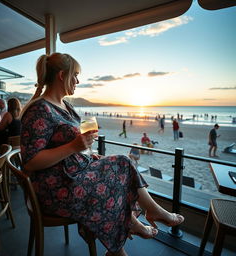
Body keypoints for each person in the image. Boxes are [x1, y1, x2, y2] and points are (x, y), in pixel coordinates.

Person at [20, 53, 184, 256]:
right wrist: (73, 147)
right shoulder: (39, 110)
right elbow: (30, 162)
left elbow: (68, 144)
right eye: (76, 75)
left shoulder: (65, 105)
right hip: (55, 188)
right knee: (114, 178)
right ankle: (134, 227)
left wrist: (87, 154)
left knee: (121, 165)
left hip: (73, 173)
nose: (78, 81)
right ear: (62, 75)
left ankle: (126, 238)